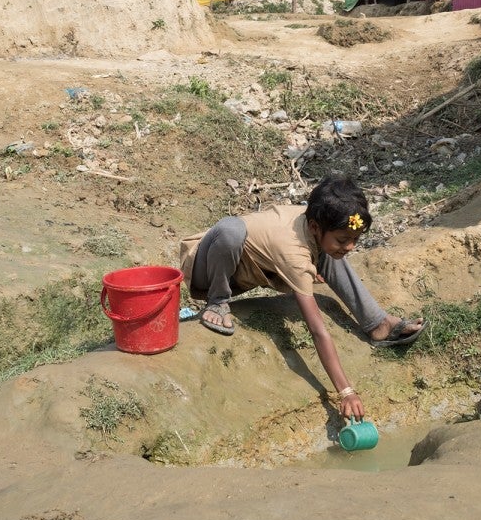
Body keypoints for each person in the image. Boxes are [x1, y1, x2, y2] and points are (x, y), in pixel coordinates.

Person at [179, 174, 427, 420]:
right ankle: (218, 302)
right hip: (209, 266)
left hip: (251, 266)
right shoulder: (293, 251)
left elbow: (329, 244)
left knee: (333, 252)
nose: (351, 246)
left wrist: (325, 254)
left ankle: (377, 322)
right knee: (230, 229)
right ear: (314, 227)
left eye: (356, 239)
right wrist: (346, 391)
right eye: (344, 239)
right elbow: (318, 331)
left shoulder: (317, 221)